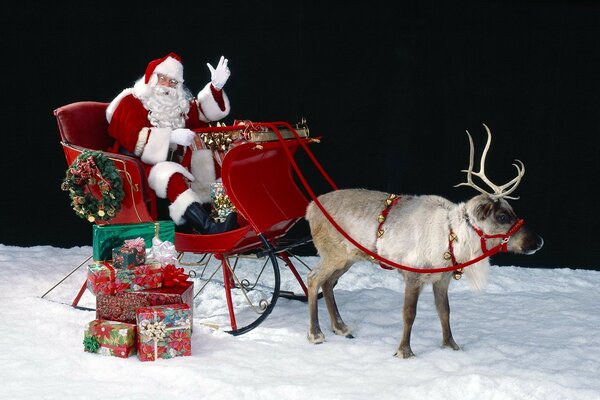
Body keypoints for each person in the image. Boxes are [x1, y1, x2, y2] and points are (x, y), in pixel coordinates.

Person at [105, 52, 238, 234]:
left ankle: (223, 217)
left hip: (170, 161)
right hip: (136, 166)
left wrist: (215, 87)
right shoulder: (130, 101)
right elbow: (131, 137)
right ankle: (208, 227)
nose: (167, 85)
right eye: (162, 78)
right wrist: (170, 137)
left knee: (207, 160)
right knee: (169, 174)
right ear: (151, 78)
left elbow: (200, 114)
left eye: (173, 81)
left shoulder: (176, 105)